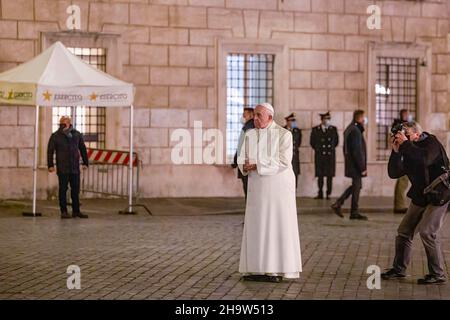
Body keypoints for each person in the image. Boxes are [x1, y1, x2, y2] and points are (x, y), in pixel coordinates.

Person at [237, 103, 302, 283]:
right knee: (256, 227)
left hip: (278, 191)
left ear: (270, 118)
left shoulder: (284, 135)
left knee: (274, 226)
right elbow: (241, 157)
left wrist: (257, 164)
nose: (255, 118)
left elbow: (284, 161)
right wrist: (244, 165)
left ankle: (274, 269)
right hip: (256, 189)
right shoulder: (249, 135)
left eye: (259, 115)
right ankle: (255, 268)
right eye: (254, 115)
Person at [382, 122, 449, 285]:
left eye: (407, 135)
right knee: (404, 231)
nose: (405, 139)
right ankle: (399, 270)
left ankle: (437, 274)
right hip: (421, 195)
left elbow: (424, 159)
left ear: (417, 135)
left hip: (440, 194)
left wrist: (405, 144)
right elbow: (394, 173)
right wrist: (396, 152)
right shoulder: (407, 148)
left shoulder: (431, 143)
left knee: (427, 232)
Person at [47, 116, 89, 219]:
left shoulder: (76, 134)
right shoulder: (56, 136)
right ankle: (64, 211)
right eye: (62, 122)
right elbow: (50, 151)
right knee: (63, 189)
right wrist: (50, 165)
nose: (65, 123)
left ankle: (76, 211)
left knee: (75, 189)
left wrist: (85, 162)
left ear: (70, 123)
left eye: (66, 121)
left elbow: (82, 148)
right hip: (63, 167)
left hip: (74, 167)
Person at [331, 110, 368, 220]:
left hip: (352, 164)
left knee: (357, 186)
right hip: (355, 165)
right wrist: (362, 167)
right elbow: (357, 151)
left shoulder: (351, 128)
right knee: (357, 186)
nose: (364, 120)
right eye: (363, 118)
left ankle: (342, 205)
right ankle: (350, 210)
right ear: (359, 118)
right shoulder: (355, 131)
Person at [310, 112, 339, 199]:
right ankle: (320, 193)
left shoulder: (333, 129)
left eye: (328, 119)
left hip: (330, 156)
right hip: (320, 156)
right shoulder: (315, 129)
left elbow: (336, 142)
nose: (327, 121)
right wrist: (319, 150)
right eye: (326, 119)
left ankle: (328, 193)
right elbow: (312, 142)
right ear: (322, 120)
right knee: (320, 176)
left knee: (329, 176)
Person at [392, 109, 413, 214]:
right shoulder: (399, 126)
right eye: (406, 114)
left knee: (403, 182)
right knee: (402, 181)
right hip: (402, 156)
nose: (407, 116)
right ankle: (399, 205)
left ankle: (400, 204)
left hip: (405, 155)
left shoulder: (406, 125)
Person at [232, 107, 255, 199]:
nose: (242, 117)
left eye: (244, 115)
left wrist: (234, 161)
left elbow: (241, 147)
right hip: (248, 162)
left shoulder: (248, 127)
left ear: (250, 115)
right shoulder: (249, 126)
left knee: (248, 189)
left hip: (246, 163)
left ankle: (250, 211)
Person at [284, 113, 302, 190]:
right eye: (292, 121)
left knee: (295, 173)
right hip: (285, 157)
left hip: (294, 156)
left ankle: (294, 190)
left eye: (294, 121)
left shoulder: (297, 131)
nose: (293, 122)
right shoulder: (282, 130)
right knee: (284, 174)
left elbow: (299, 143)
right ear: (287, 121)